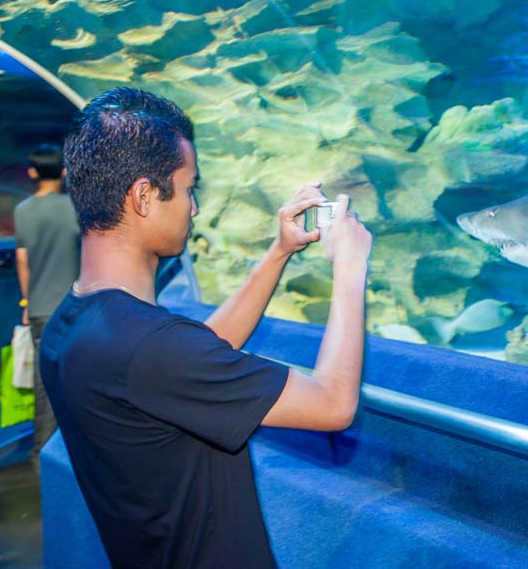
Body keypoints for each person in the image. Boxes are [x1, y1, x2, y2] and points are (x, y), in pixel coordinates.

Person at [40, 87, 372, 568]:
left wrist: (279, 252)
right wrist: (350, 267)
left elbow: (191, 361)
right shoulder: (151, 347)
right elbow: (333, 404)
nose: (193, 208)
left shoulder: (71, 323)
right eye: (188, 188)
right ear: (144, 196)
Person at [13, 143, 80, 462]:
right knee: (79, 374)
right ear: (64, 172)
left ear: (32, 172)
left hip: (40, 308)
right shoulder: (75, 207)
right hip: (75, 307)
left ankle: (43, 449)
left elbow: (22, 259)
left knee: (44, 381)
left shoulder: (22, 211)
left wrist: (27, 302)